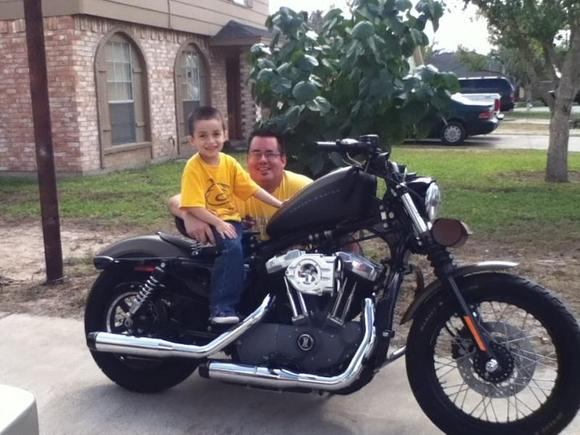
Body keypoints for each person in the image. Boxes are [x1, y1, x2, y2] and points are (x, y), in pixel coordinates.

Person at [179, 107, 283, 324]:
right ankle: (222, 308)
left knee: (255, 253)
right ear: (192, 140)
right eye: (203, 136)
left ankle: (246, 303)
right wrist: (218, 223)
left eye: (216, 134)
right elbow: (193, 205)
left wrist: (280, 204)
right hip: (210, 220)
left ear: (225, 134)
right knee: (232, 247)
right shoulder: (194, 167)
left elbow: (251, 188)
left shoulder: (228, 162)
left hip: (230, 220)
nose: (211, 141)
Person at [169, 130, 312, 244]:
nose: (263, 160)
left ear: (283, 160)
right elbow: (175, 200)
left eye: (270, 154)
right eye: (256, 154)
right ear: (247, 159)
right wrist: (187, 214)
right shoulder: (230, 187)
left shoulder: (303, 188)